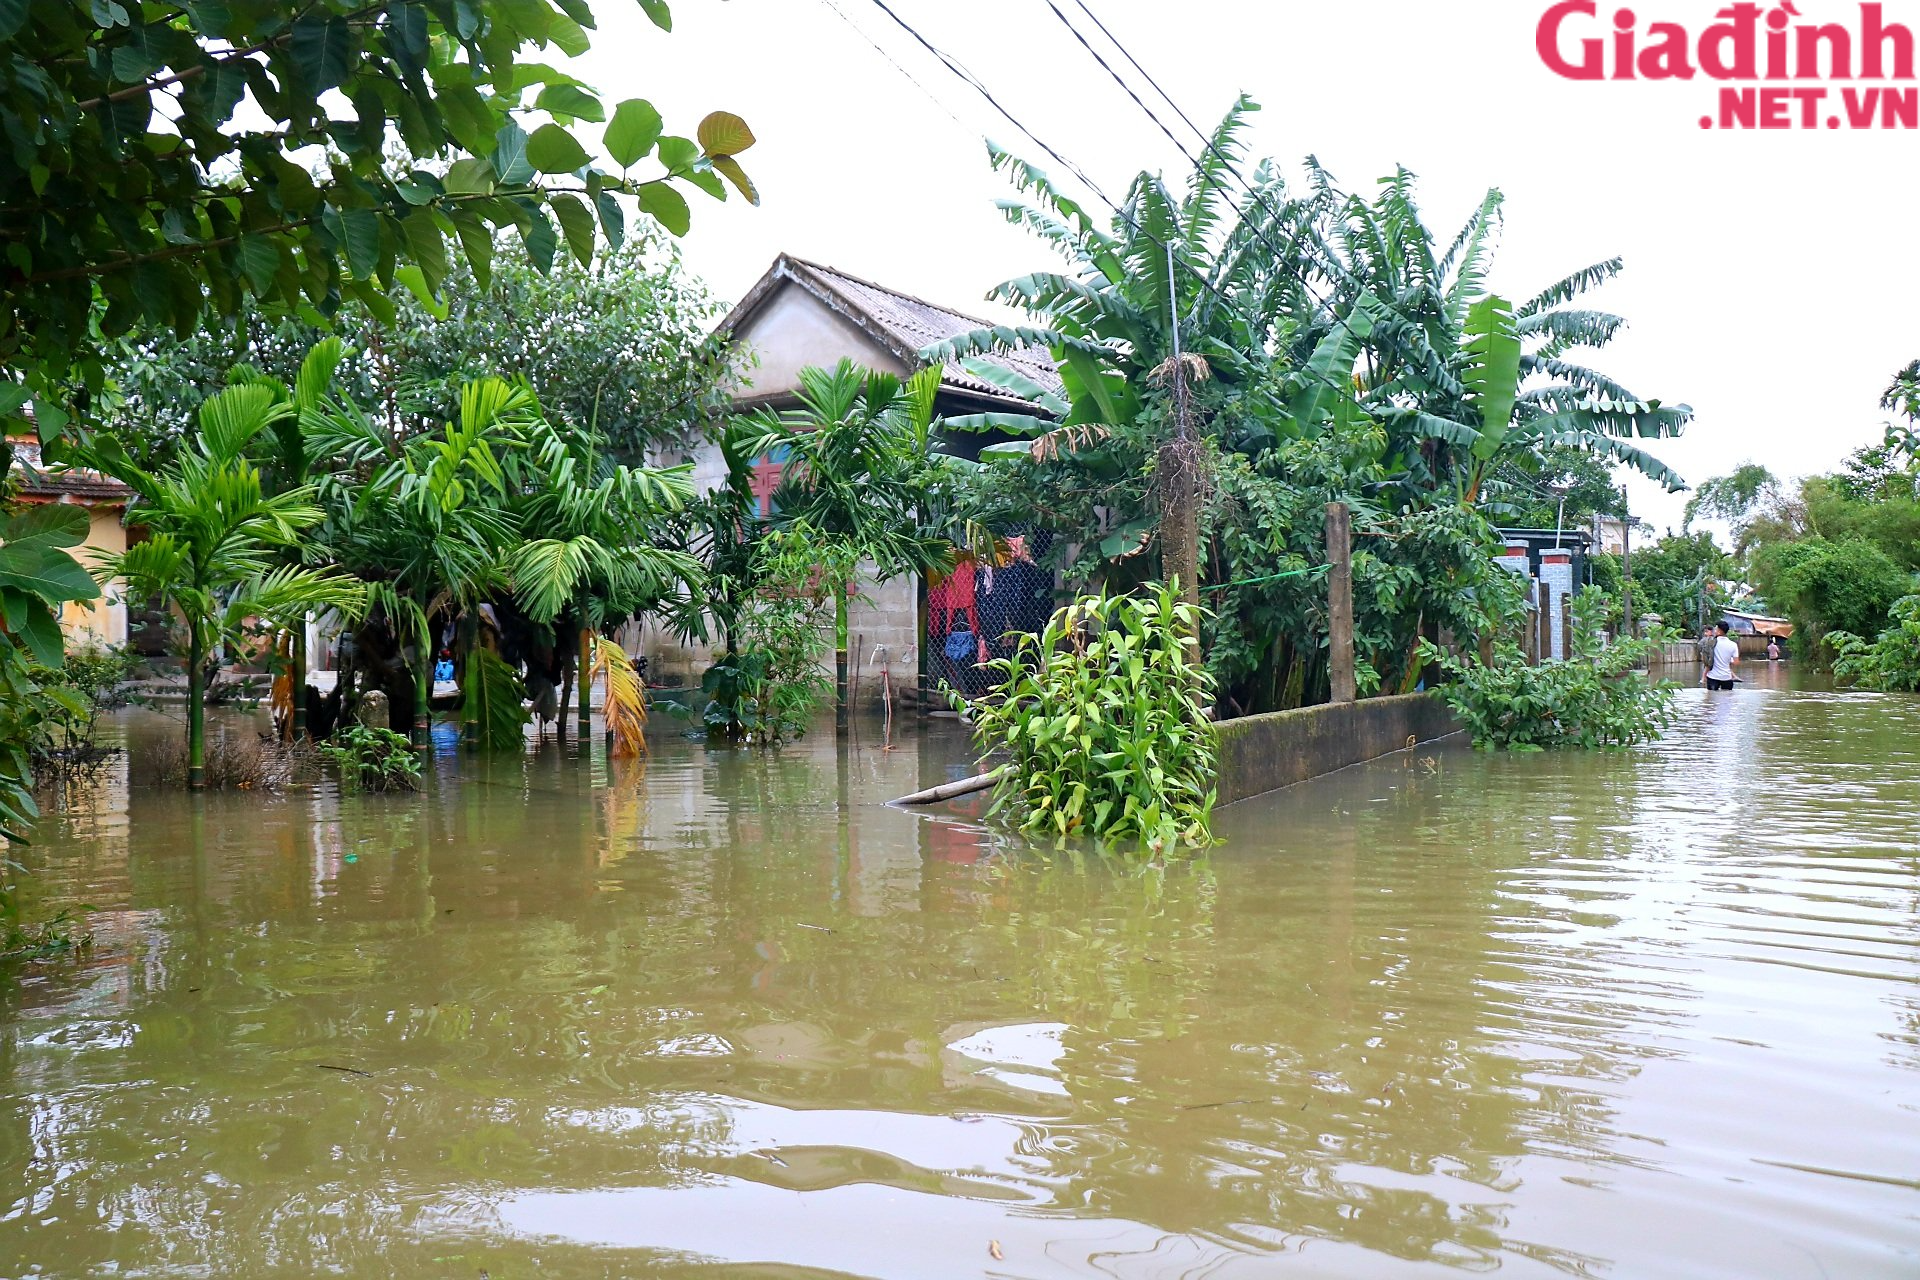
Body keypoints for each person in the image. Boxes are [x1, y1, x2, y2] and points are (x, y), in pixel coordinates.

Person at [1705, 621, 1739, 691]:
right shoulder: (1733, 645)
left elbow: (1706, 660)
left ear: (1719, 631)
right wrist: (1727, 659)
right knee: (1727, 700)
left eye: (1715, 629)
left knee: (1711, 699)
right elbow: (1736, 662)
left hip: (1712, 677)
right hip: (1727, 677)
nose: (1714, 630)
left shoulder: (1710, 643)